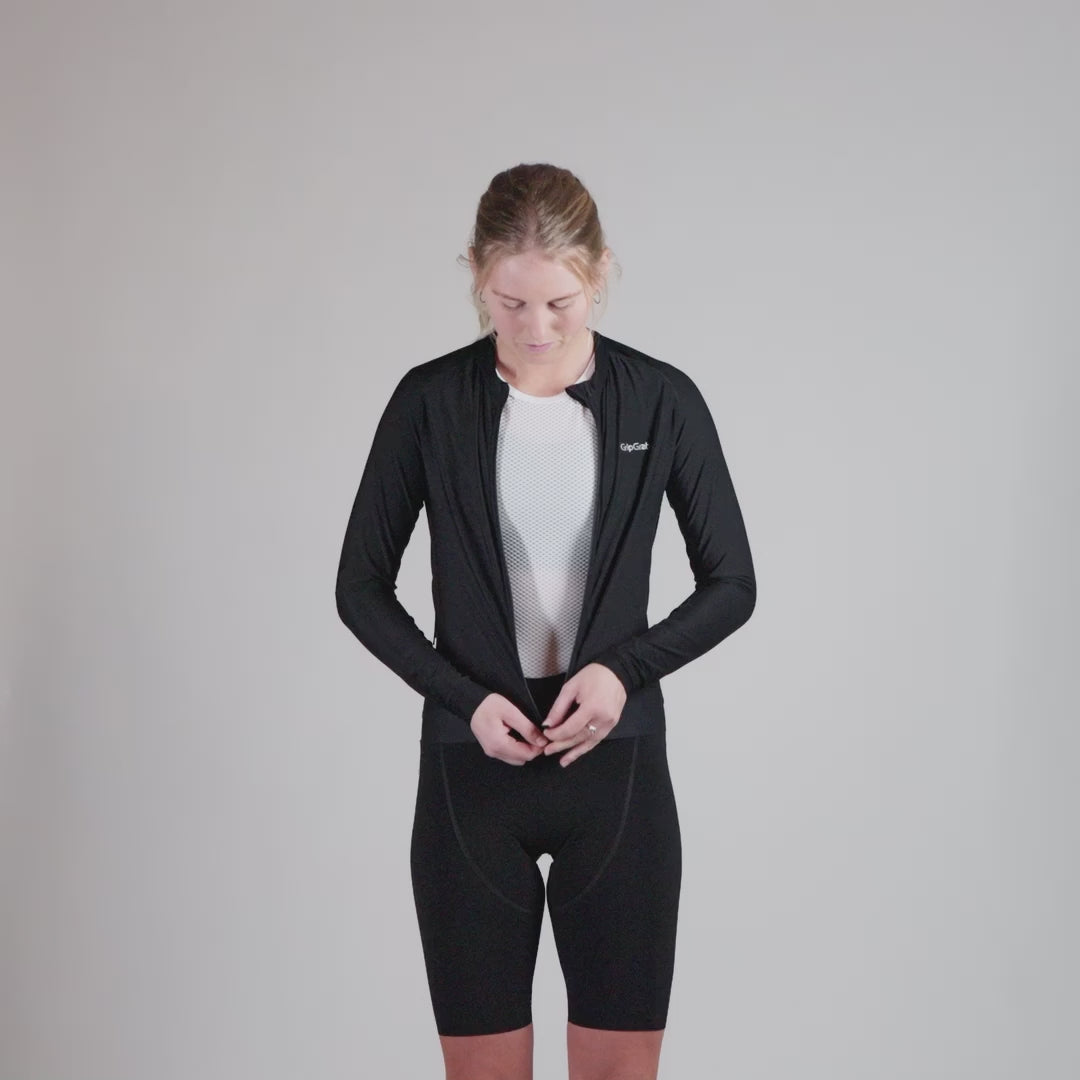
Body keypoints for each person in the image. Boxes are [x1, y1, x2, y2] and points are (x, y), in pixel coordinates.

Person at [335, 162, 756, 1080]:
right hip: (470, 775)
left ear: (599, 274)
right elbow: (359, 586)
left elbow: (732, 582)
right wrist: (462, 697)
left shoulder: (661, 400)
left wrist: (622, 672)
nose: (534, 328)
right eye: (508, 302)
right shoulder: (429, 402)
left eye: (560, 303)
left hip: (618, 777)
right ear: (476, 276)